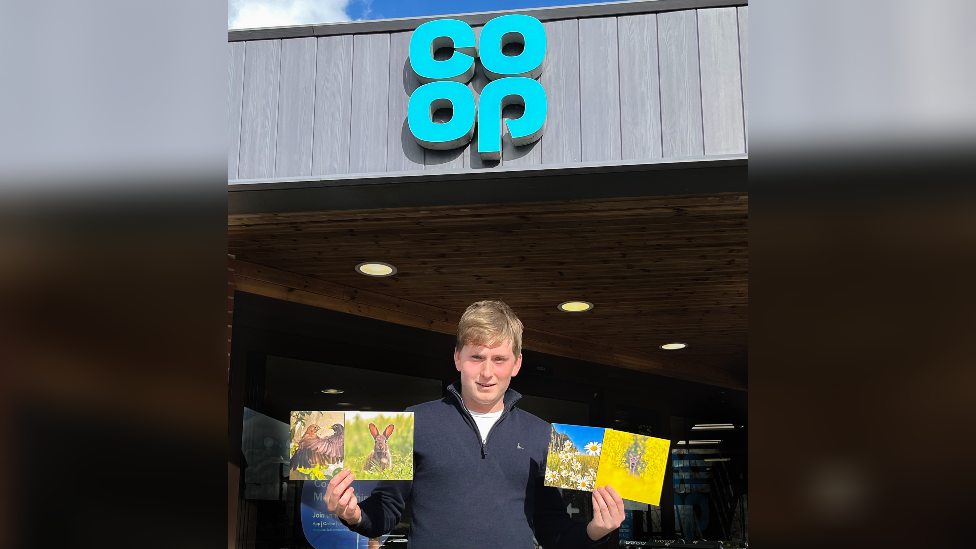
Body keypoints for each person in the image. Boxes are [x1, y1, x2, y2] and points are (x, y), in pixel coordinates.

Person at [325, 300, 626, 548]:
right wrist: (353, 515)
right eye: (476, 357)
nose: (486, 372)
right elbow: (385, 512)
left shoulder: (545, 435)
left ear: (517, 363)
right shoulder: (414, 422)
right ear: (457, 358)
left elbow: (553, 531)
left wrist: (596, 530)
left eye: (499, 359)